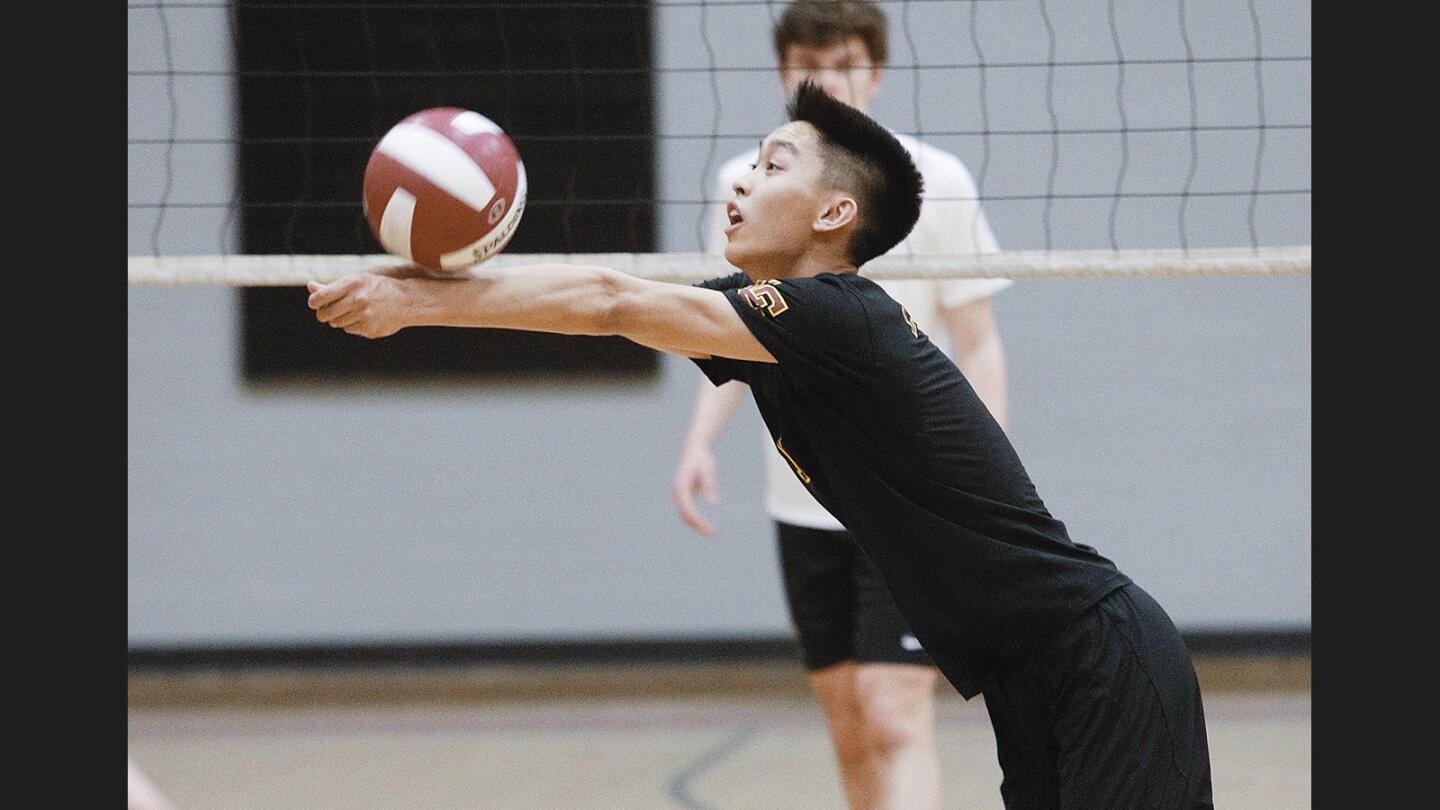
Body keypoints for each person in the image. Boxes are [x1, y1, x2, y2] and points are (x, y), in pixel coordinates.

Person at [306, 81, 1213, 808]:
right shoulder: (774, 328)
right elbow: (608, 311)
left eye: (773, 165)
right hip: (1028, 679)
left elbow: (616, 300)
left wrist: (418, 302)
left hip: (1102, 657)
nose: (739, 181)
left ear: (832, 215)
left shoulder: (838, 316)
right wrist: (427, 272)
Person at [672, 3, 1009, 806]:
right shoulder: (747, 184)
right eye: (805, 63)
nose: (825, 78)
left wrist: (981, 484)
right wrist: (697, 444)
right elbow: (725, 330)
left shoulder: (933, 184)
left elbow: (980, 341)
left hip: (909, 497)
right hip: (804, 493)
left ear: (877, 72)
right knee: (850, 725)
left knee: (897, 714)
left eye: (845, 61)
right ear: (784, 74)